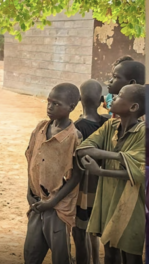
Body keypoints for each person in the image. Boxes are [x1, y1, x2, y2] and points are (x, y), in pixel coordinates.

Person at [76, 84, 145, 264]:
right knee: (110, 252)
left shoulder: (143, 132)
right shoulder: (110, 125)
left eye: (119, 95)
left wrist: (100, 168)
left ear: (133, 107)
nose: (112, 98)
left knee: (131, 255)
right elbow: (84, 149)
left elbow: (139, 171)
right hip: (107, 197)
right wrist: (122, 158)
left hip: (132, 203)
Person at [24, 83, 83, 264]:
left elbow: (76, 177)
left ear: (71, 108)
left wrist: (52, 202)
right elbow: (31, 161)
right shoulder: (40, 128)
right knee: (31, 253)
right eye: (49, 101)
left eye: (56, 104)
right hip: (37, 202)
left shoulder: (74, 137)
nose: (50, 107)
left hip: (59, 207)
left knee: (60, 256)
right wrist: (30, 192)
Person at [72, 80, 109, 264]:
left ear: (79, 99)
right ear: (102, 99)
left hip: (84, 188)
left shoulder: (76, 126)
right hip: (105, 184)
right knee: (95, 228)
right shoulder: (109, 122)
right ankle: (96, 259)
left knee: (81, 229)